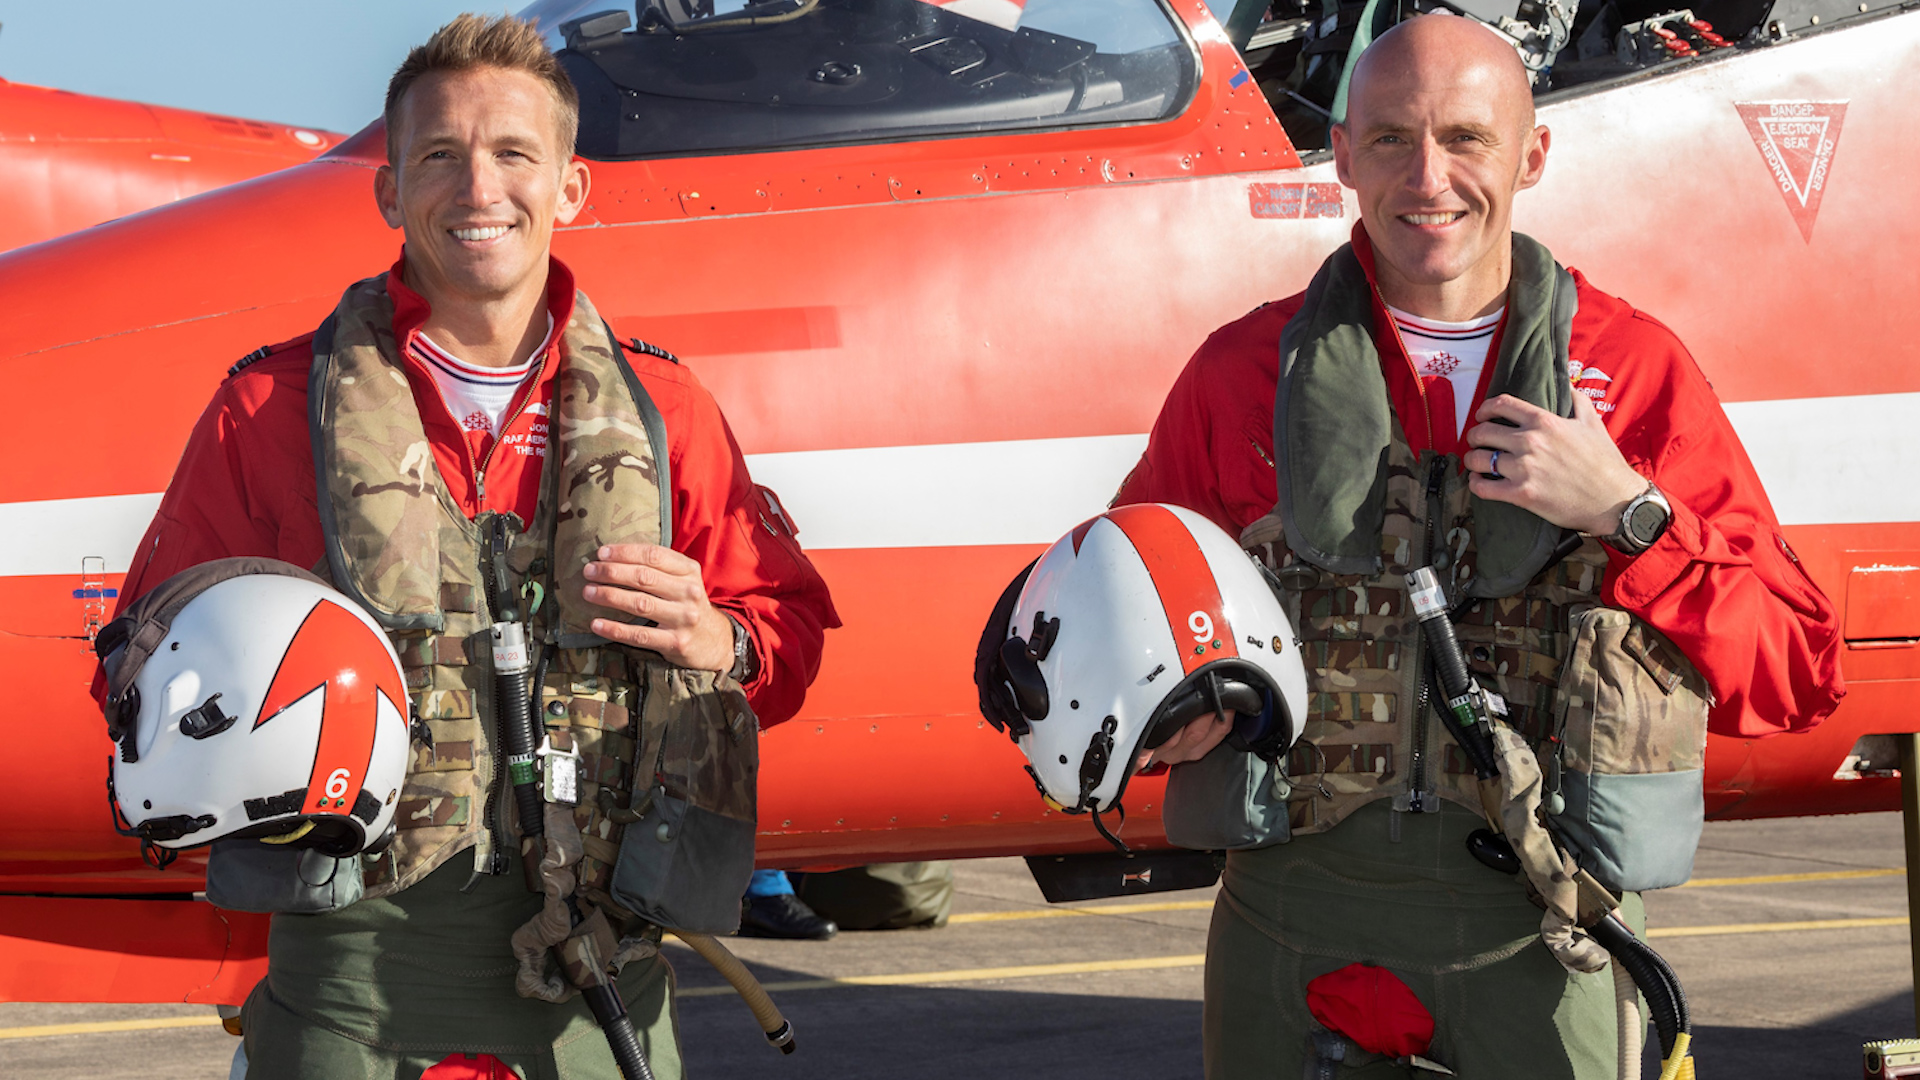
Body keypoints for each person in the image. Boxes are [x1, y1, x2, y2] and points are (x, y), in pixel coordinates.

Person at [100, 15, 838, 1078]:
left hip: (600, 1000)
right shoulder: (265, 410)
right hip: (354, 1001)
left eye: (512, 155)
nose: (478, 188)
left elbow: (790, 633)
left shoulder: (664, 407)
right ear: (390, 192)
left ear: (569, 188)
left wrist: (719, 641)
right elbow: (135, 672)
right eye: (439, 156)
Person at [1109, 14, 1844, 1077]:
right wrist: (1164, 713)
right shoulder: (1242, 376)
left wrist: (1629, 514)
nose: (1429, 177)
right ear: (1345, 156)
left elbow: (1794, 664)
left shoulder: (1629, 374)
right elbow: (1111, 627)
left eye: (1466, 138)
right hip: (1292, 923)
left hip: (1541, 935)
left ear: (1532, 155)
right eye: (1394, 140)